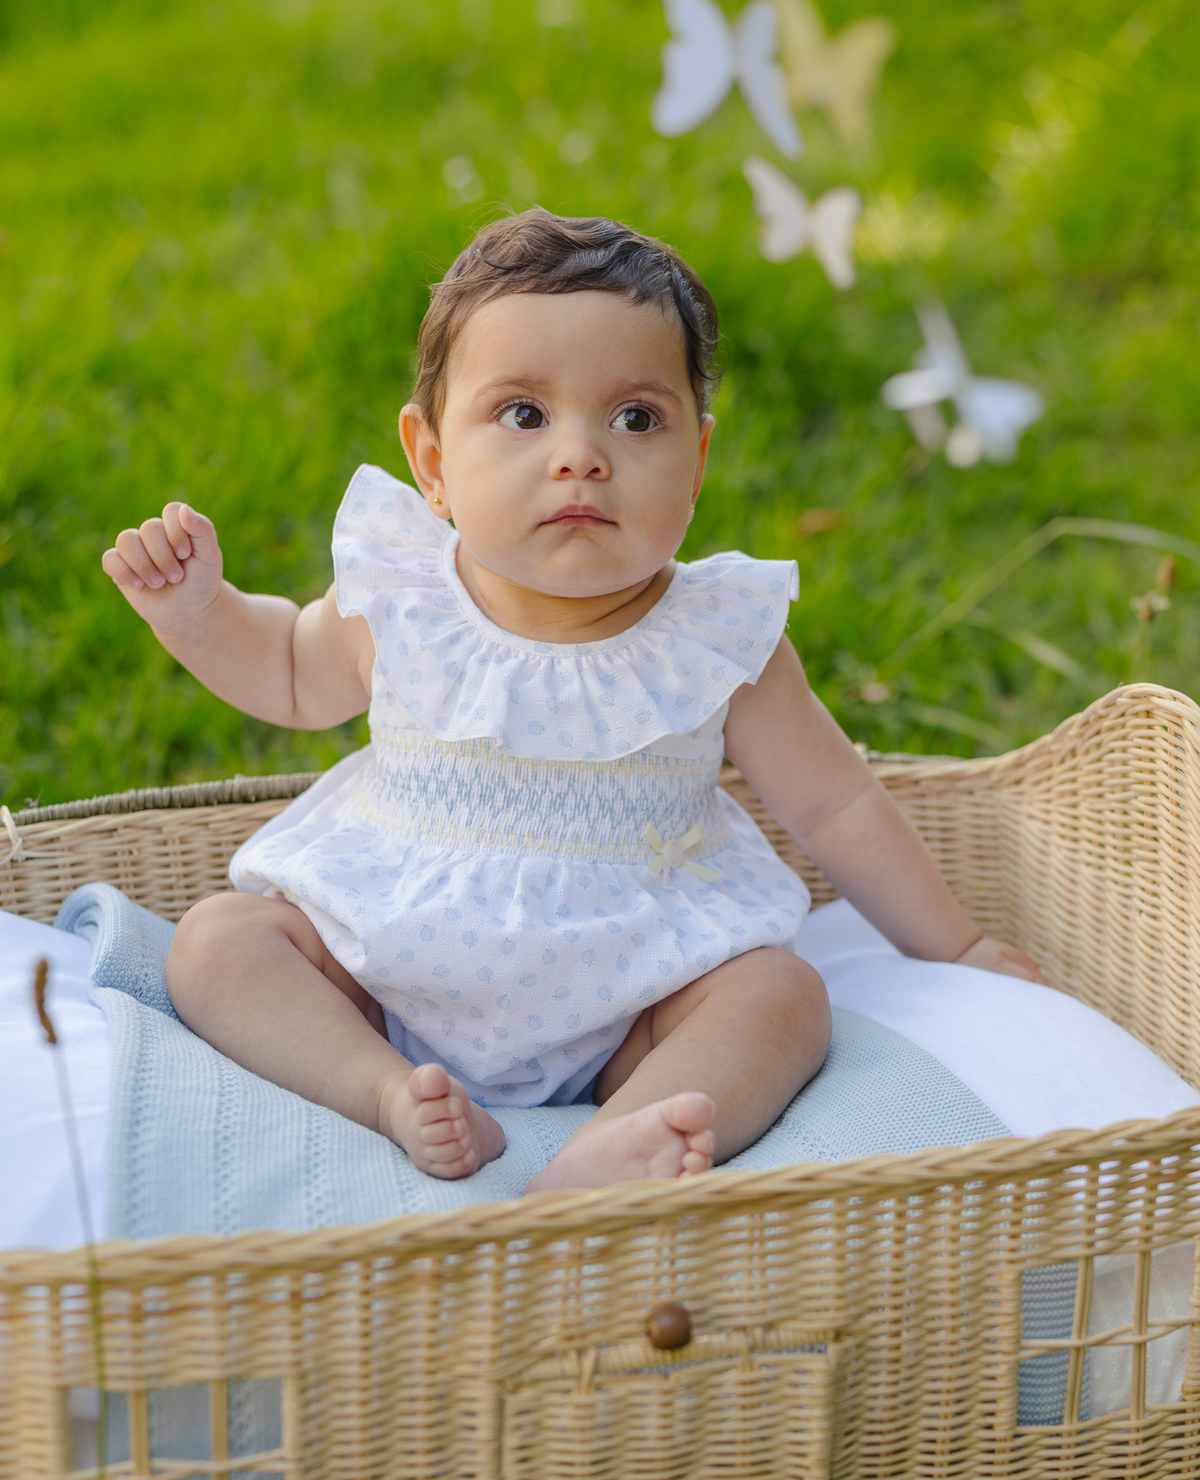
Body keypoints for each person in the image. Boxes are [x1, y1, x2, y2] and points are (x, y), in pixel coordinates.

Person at [101, 208, 1044, 1193]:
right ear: (431, 462)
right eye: (523, 414)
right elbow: (290, 672)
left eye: (636, 418)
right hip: (382, 971)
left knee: (782, 995)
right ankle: (384, 1092)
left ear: (700, 458)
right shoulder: (406, 595)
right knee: (219, 944)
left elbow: (836, 806)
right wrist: (198, 609)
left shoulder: (720, 639)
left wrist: (958, 946)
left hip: (630, 1000)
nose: (581, 455)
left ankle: (619, 1140)